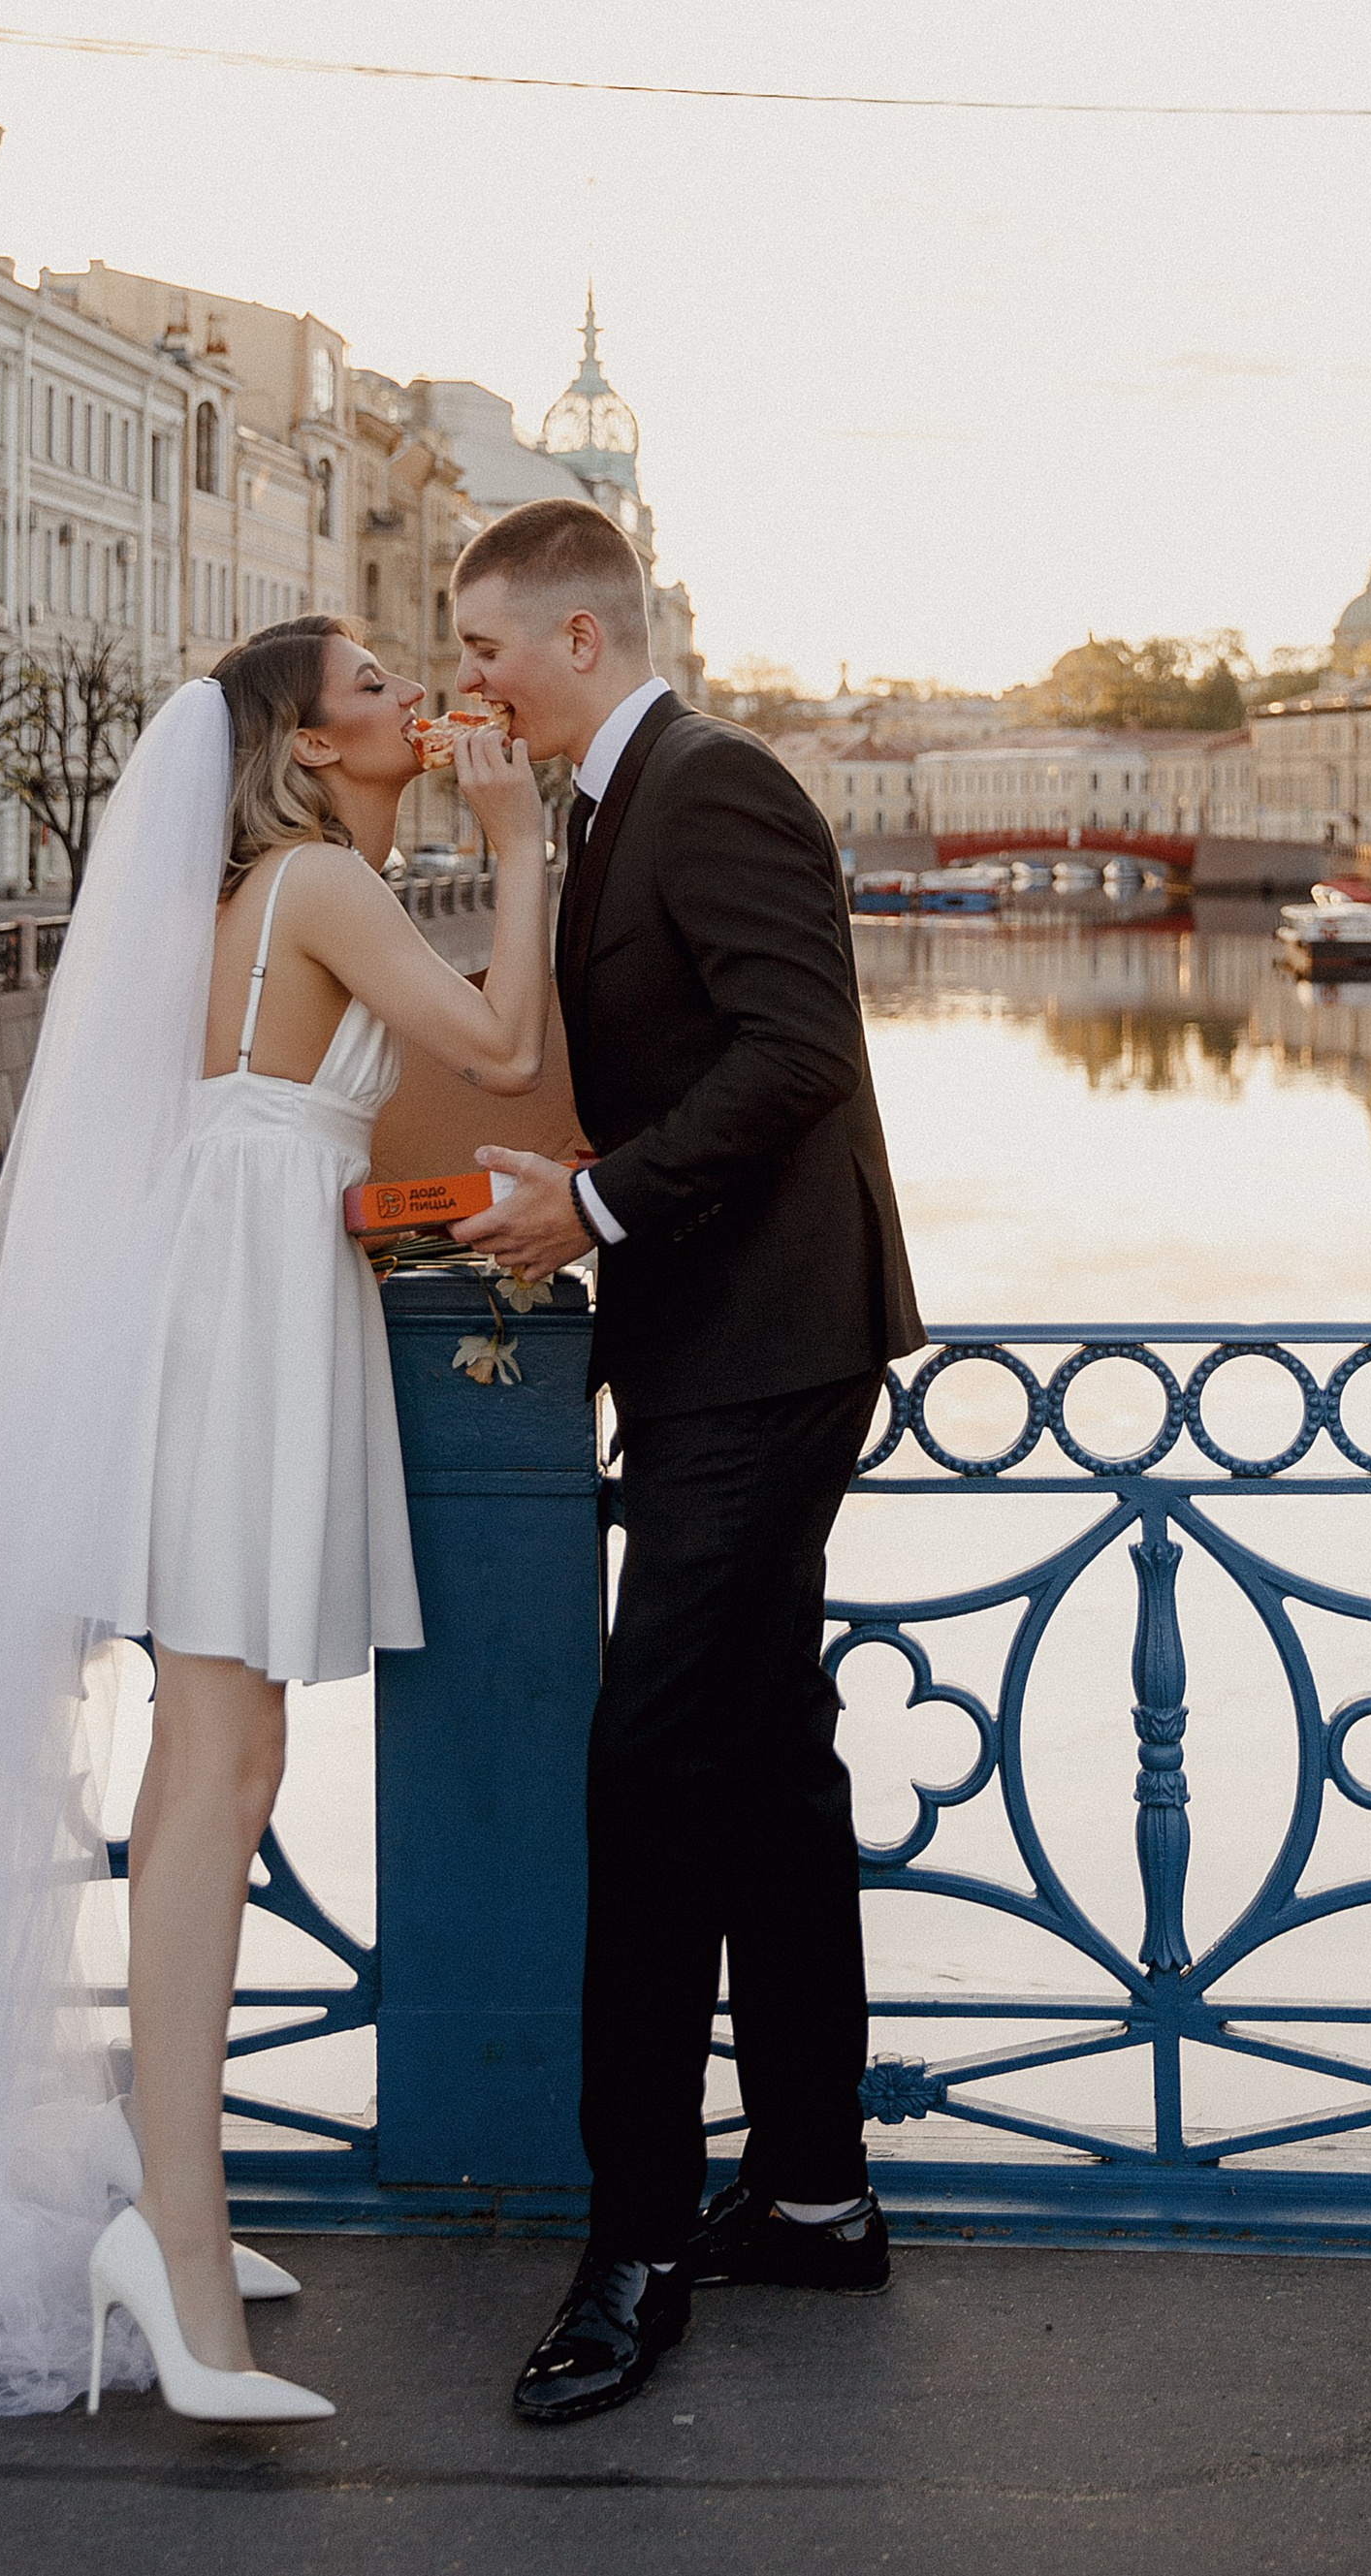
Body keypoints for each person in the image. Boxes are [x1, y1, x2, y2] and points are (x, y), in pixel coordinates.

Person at [0, 618, 554, 2426]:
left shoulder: (257, 894)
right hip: (245, 1321)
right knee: (221, 1772)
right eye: (373, 686)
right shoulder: (327, 880)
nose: (412, 696)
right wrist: (518, 844)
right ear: (307, 746)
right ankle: (173, 2249)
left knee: (218, 1765)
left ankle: (153, 2181)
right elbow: (496, 1042)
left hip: (237, 1297)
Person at [453, 495, 923, 2427]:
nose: (467, 678)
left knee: (645, 1780)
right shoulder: (589, 805)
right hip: (723, 1348)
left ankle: (632, 2243)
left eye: (483, 645)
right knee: (760, 1764)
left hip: (760, 1351)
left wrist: (594, 1208)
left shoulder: (711, 782)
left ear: (576, 635)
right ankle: (811, 2192)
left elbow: (797, 1047)